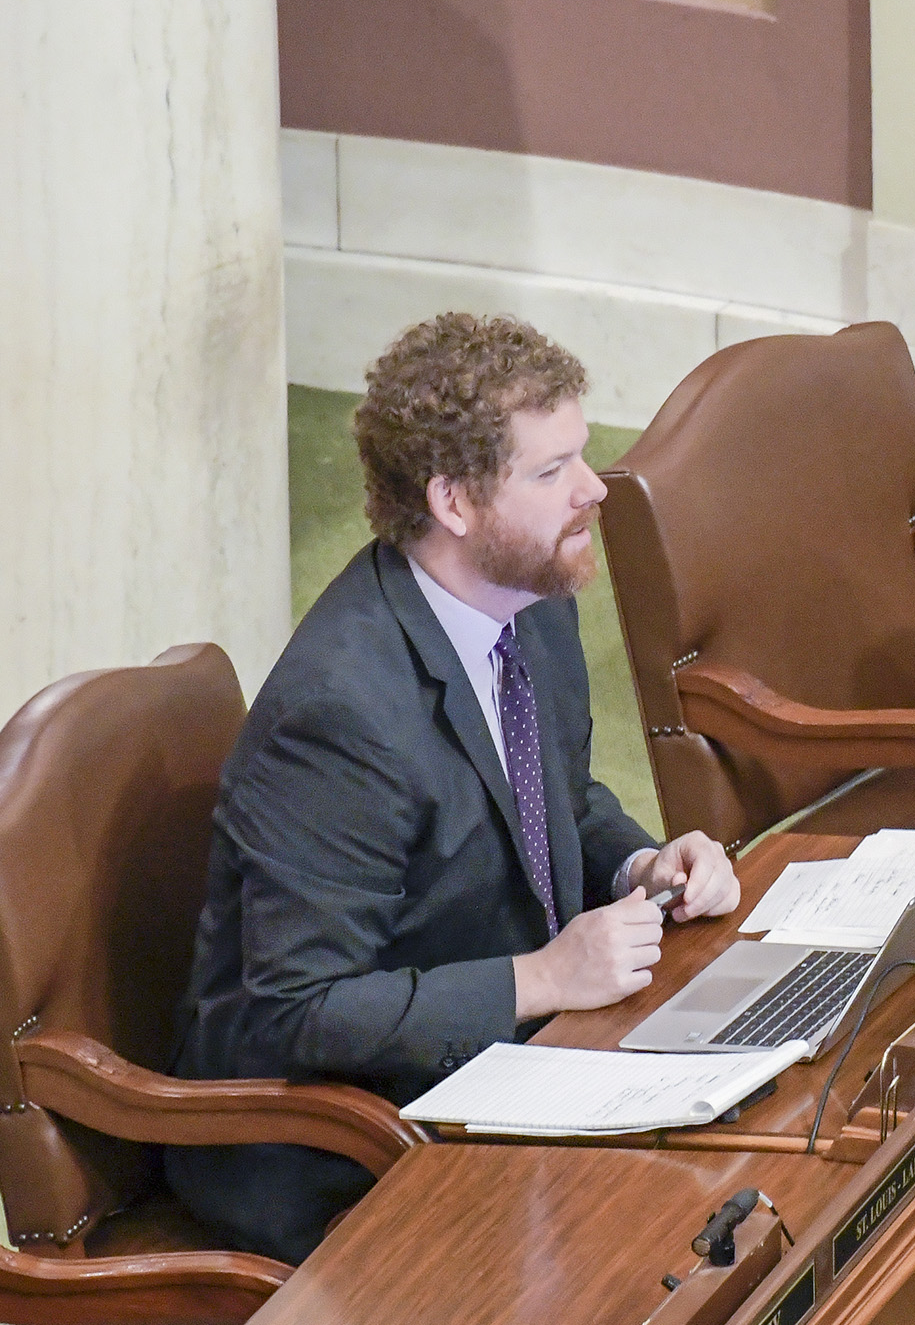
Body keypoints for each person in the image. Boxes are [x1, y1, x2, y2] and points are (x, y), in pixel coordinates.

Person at [167, 314, 741, 1262]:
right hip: (330, 1145)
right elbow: (299, 1008)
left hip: (494, 1067)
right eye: (551, 473)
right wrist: (548, 975)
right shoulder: (341, 713)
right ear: (453, 502)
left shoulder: (528, 606)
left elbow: (558, 795)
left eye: (582, 458)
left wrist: (643, 865)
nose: (594, 491)